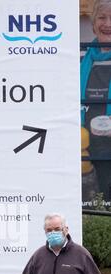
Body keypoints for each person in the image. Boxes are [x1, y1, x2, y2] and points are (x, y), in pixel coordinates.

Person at [81, 0, 111, 203]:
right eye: (102, 17)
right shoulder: (81, 56)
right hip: (85, 142)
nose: (108, 23)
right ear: (93, 24)